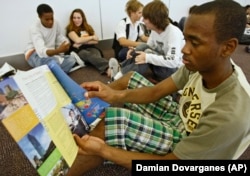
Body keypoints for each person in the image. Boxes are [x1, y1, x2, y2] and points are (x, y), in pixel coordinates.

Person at [67, 0, 250, 175]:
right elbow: (156, 91)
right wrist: (113, 94)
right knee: (130, 78)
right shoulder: (202, 64)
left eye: (194, 43)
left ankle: (63, 169)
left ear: (228, 48)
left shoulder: (230, 113)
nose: (184, 50)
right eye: (185, 40)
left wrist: (104, 151)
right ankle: (83, 113)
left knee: (113, 123)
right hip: (180, 116)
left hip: (190, 146)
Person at [111, 1, 184, 82]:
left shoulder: (173, 32)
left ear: (154, 19)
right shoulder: (154, 30)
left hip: (175, 72)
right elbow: (147, 46)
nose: (142, 20)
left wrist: (147, 57)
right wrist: (134, 51)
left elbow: (173, 61)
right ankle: (121, 69)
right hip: (160, 66)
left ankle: (118, 78)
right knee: (144, 48)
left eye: (145, 18)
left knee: (148, 53)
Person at [24, 4, 84, 73]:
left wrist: (66, 43)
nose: (50, 22)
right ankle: (56, 71)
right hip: (34, 55)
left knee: (71, 59)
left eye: (52, 18)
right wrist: (58, 50)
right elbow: (41, 52)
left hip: (51, 55)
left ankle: (52, 72)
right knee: (53, 62)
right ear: (40, 17)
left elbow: (59, 36)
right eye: (47, 19)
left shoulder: (56, 23)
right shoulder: (34, 28)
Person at [66, 9, 110, 75]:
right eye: (74, 18)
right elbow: (77, 40)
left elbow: (96, 41)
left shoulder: (88, 27)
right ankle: (108, 67)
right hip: (79, 50)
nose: (76, 20)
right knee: (89, 55)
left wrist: (81, 42)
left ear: (83, 18)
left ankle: (86, 62)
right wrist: (91, 37)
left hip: (91, 47)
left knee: (96, 55)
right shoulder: (70, 28)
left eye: (78, 18)